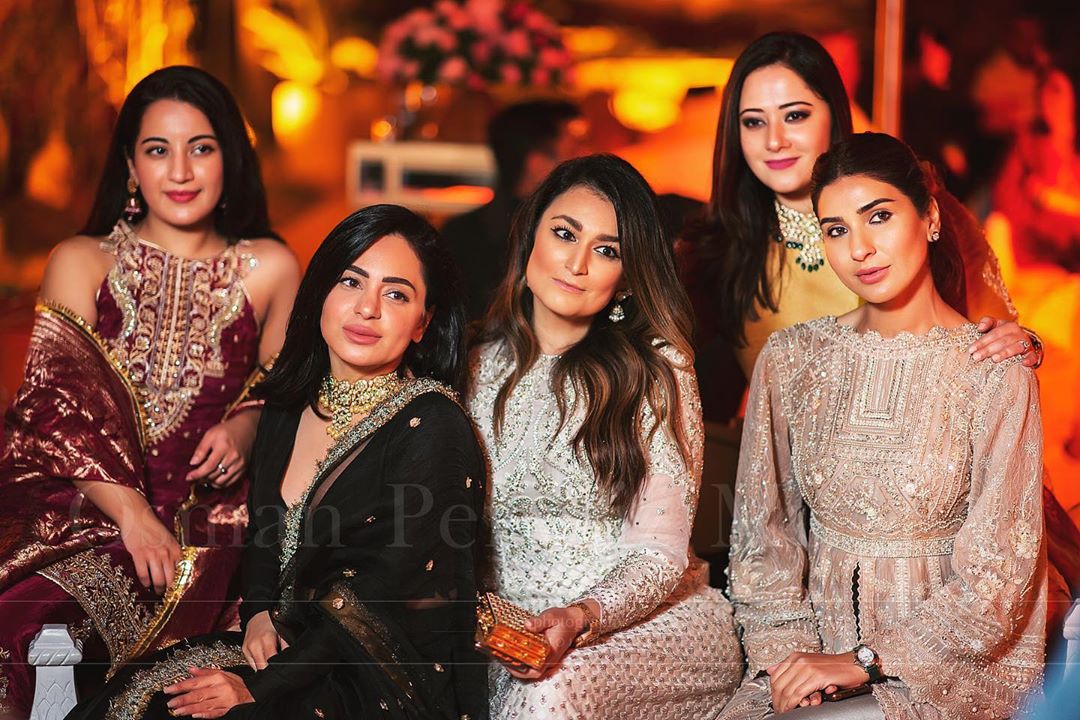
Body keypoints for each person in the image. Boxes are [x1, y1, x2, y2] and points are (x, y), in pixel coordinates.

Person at [68, 203, 488, 720]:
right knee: (137, 698)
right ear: (321, 294)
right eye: (351, 282)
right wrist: (260, 613)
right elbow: (266, 538)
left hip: (369, 674)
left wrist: (261, 691)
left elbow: (381, 597)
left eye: (396, 294)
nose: (367, 308)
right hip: (285, 650)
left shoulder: (429, 425)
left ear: (423, 323)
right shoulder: (287, 405)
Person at [0, 66, 300, 718]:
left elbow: (280, 387)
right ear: (131, 168)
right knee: (18, 623)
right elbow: (55, 412)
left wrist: (245, 428)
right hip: (82, 514)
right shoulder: (81, 260)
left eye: (202, 147)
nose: (181, 171)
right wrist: (133, 514)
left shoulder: (271, 267)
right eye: (158, 150)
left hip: (208, 522)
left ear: (230, 160)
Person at [719, 133, 1046, 719]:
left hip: (950, 670)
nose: (860, 249)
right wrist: (791, 664)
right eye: (837, 229)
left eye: (879, 217)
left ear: (931, 217)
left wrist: (864, 662)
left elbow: (998, 578)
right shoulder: (792, 359)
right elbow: (762, 543)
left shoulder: (996, 370)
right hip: (809, 660)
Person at [469, 154, 743, 718]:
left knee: (548, 694)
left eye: (607, 249)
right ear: (530, 242)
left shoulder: (656, 370)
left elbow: (660, 551)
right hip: (506, 627)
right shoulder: (469, 365)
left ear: (626, 277)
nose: (577, 262)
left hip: (645, 622)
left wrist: (581, 616)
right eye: (564, 234)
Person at [680, 31, 1037, 386]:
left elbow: (999, 343)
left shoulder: (915, 207)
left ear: (833, 112)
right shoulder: (720, 246)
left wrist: (1027, 345)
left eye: (795, 117)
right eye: (754, 122)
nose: (774, 141)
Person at [441, 99, 586, 322]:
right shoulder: (464, 238)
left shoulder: (459, 231)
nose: (585, 160)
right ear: (538, 164)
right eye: (574, 151)